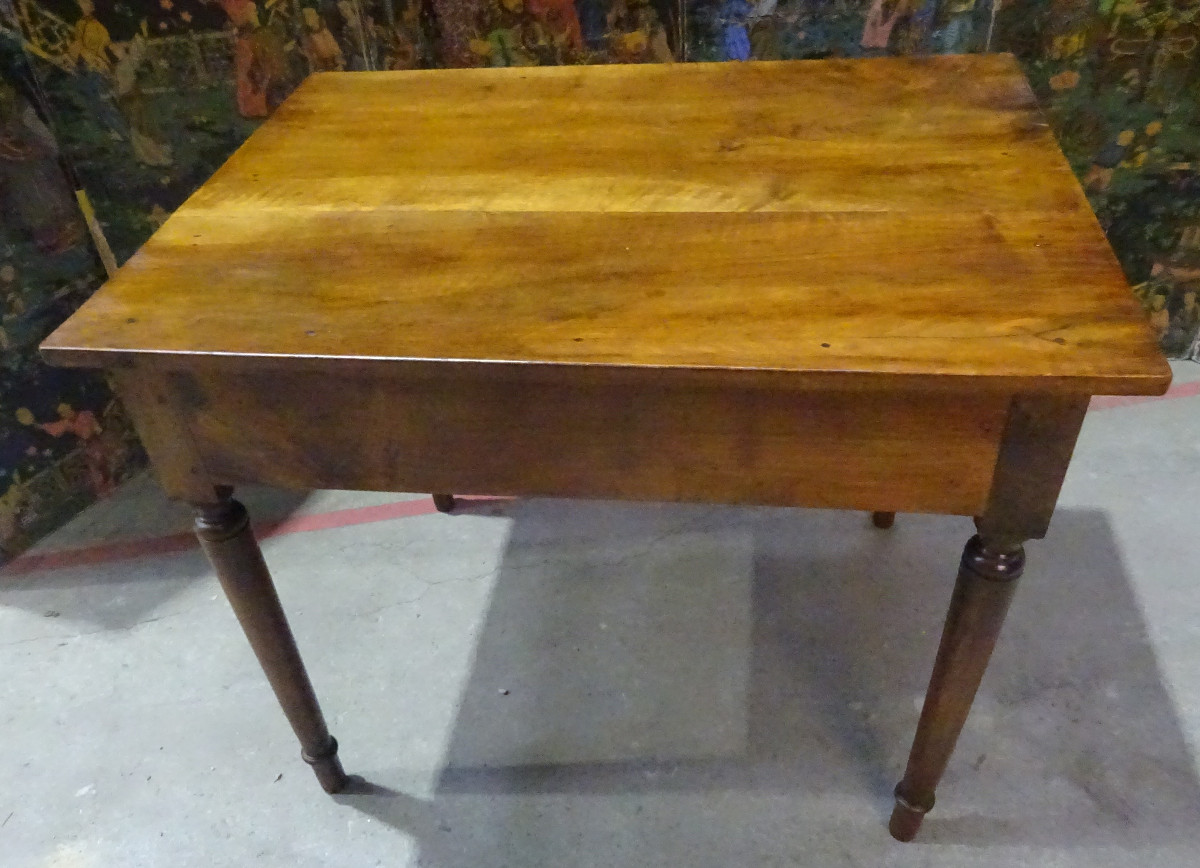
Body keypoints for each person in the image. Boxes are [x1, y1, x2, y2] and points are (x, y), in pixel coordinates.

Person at [302, 6, 347, 71]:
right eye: (309, 16)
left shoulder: (325, 32)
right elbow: (310, 57)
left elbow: (335, 48)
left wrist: (338, 62)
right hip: (321, 68)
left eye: (314, 15)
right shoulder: (307, 38)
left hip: (334, 64)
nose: (315, 17)